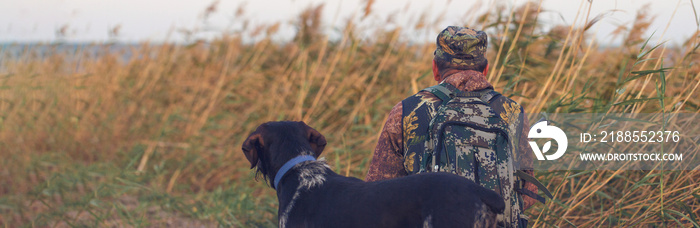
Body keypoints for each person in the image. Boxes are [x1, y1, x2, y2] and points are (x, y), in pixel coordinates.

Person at [365, 26, 538, 227]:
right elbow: (528, 195)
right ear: (486, 69)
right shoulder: (514, 112)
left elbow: (377, 193)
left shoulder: (406, 111)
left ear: (435, 68)